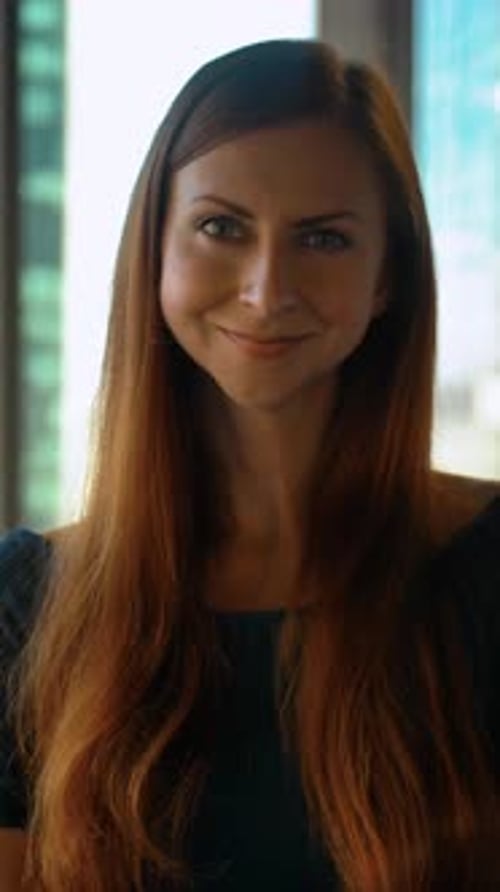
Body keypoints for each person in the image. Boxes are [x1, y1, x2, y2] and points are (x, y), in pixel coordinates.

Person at [1, 38, 500, 892]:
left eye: (325, 239)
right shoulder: (25, 602)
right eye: (222, 227)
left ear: (389, 280)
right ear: (155, 249)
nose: (268, 289)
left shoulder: (488, 563)